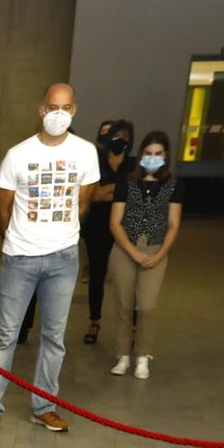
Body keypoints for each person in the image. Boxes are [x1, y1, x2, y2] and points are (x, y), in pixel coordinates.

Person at [0, 83, 99, 433]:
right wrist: (18, 239)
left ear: (74, 110)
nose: (58, 114)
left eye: (66, 107)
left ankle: (44, 406)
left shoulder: (86, 152)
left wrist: (62, 235)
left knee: (54, 337)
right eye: (53, 107)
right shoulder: (18, 154)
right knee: (5, 334)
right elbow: (1, 207)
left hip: (63, 259)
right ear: (42, 110)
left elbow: (84, 202)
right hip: (20, 258)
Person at [105, 131, 183, 379]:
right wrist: (133, 253)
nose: (152, 158)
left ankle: (143, 356)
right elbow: (115, 222)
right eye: (148, 153)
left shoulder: (173, 185)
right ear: (141, 155)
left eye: (158, 154)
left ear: (166, 156)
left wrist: (159, 254)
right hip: (125, 250)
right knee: (124, 305)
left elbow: (173, 224)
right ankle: (123, 355)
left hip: (155, 250)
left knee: (147, 306)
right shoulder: (126, 183)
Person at [81, 118, 134, 345]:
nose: (119, 140)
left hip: (124, 226)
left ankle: (132, 326)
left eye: (125, 136)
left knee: (129, 277)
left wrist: (109, 190)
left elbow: (135, 195)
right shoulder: (96, 161)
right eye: (115, 135)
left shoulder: (133, 165)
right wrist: (119, 189)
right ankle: (94, 321)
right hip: (97, 226)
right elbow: (93, 194)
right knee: (97, 275)